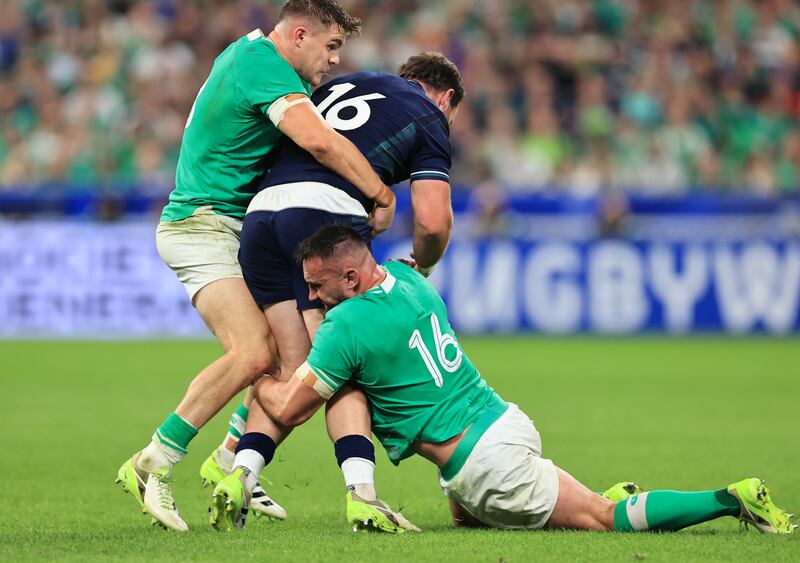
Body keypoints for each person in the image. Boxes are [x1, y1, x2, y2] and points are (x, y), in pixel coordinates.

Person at [220, 225, 796, 535]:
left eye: (318, 286)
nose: (312, 297)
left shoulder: (345, 326)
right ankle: (570, 492)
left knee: (607, 519)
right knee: (465, 514)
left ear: (350, 278)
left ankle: (730, 499)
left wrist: (258, 372)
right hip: (501, 421)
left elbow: (290, 408)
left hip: (485, 463)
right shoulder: (405, 276)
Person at [116, 0, 398, 533]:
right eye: (331, 46)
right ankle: (153, 461)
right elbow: (318, 139)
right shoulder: (262, 65)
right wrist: (380, 193)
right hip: (201, 227)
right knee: (252, 353)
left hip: (227, 227)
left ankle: (229, 459)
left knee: (291, 362)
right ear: (299, 35)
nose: (335, 60)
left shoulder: (247, 55)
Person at [210, 52, 463, 532]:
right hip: (323, 214)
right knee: (343, 363)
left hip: (261, 217)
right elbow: (433, 222)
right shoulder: (429, 116)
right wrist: (424, 265)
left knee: (296, 368)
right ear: (446, 98)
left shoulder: (340, 85)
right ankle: (362, 494)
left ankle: (239, 472)